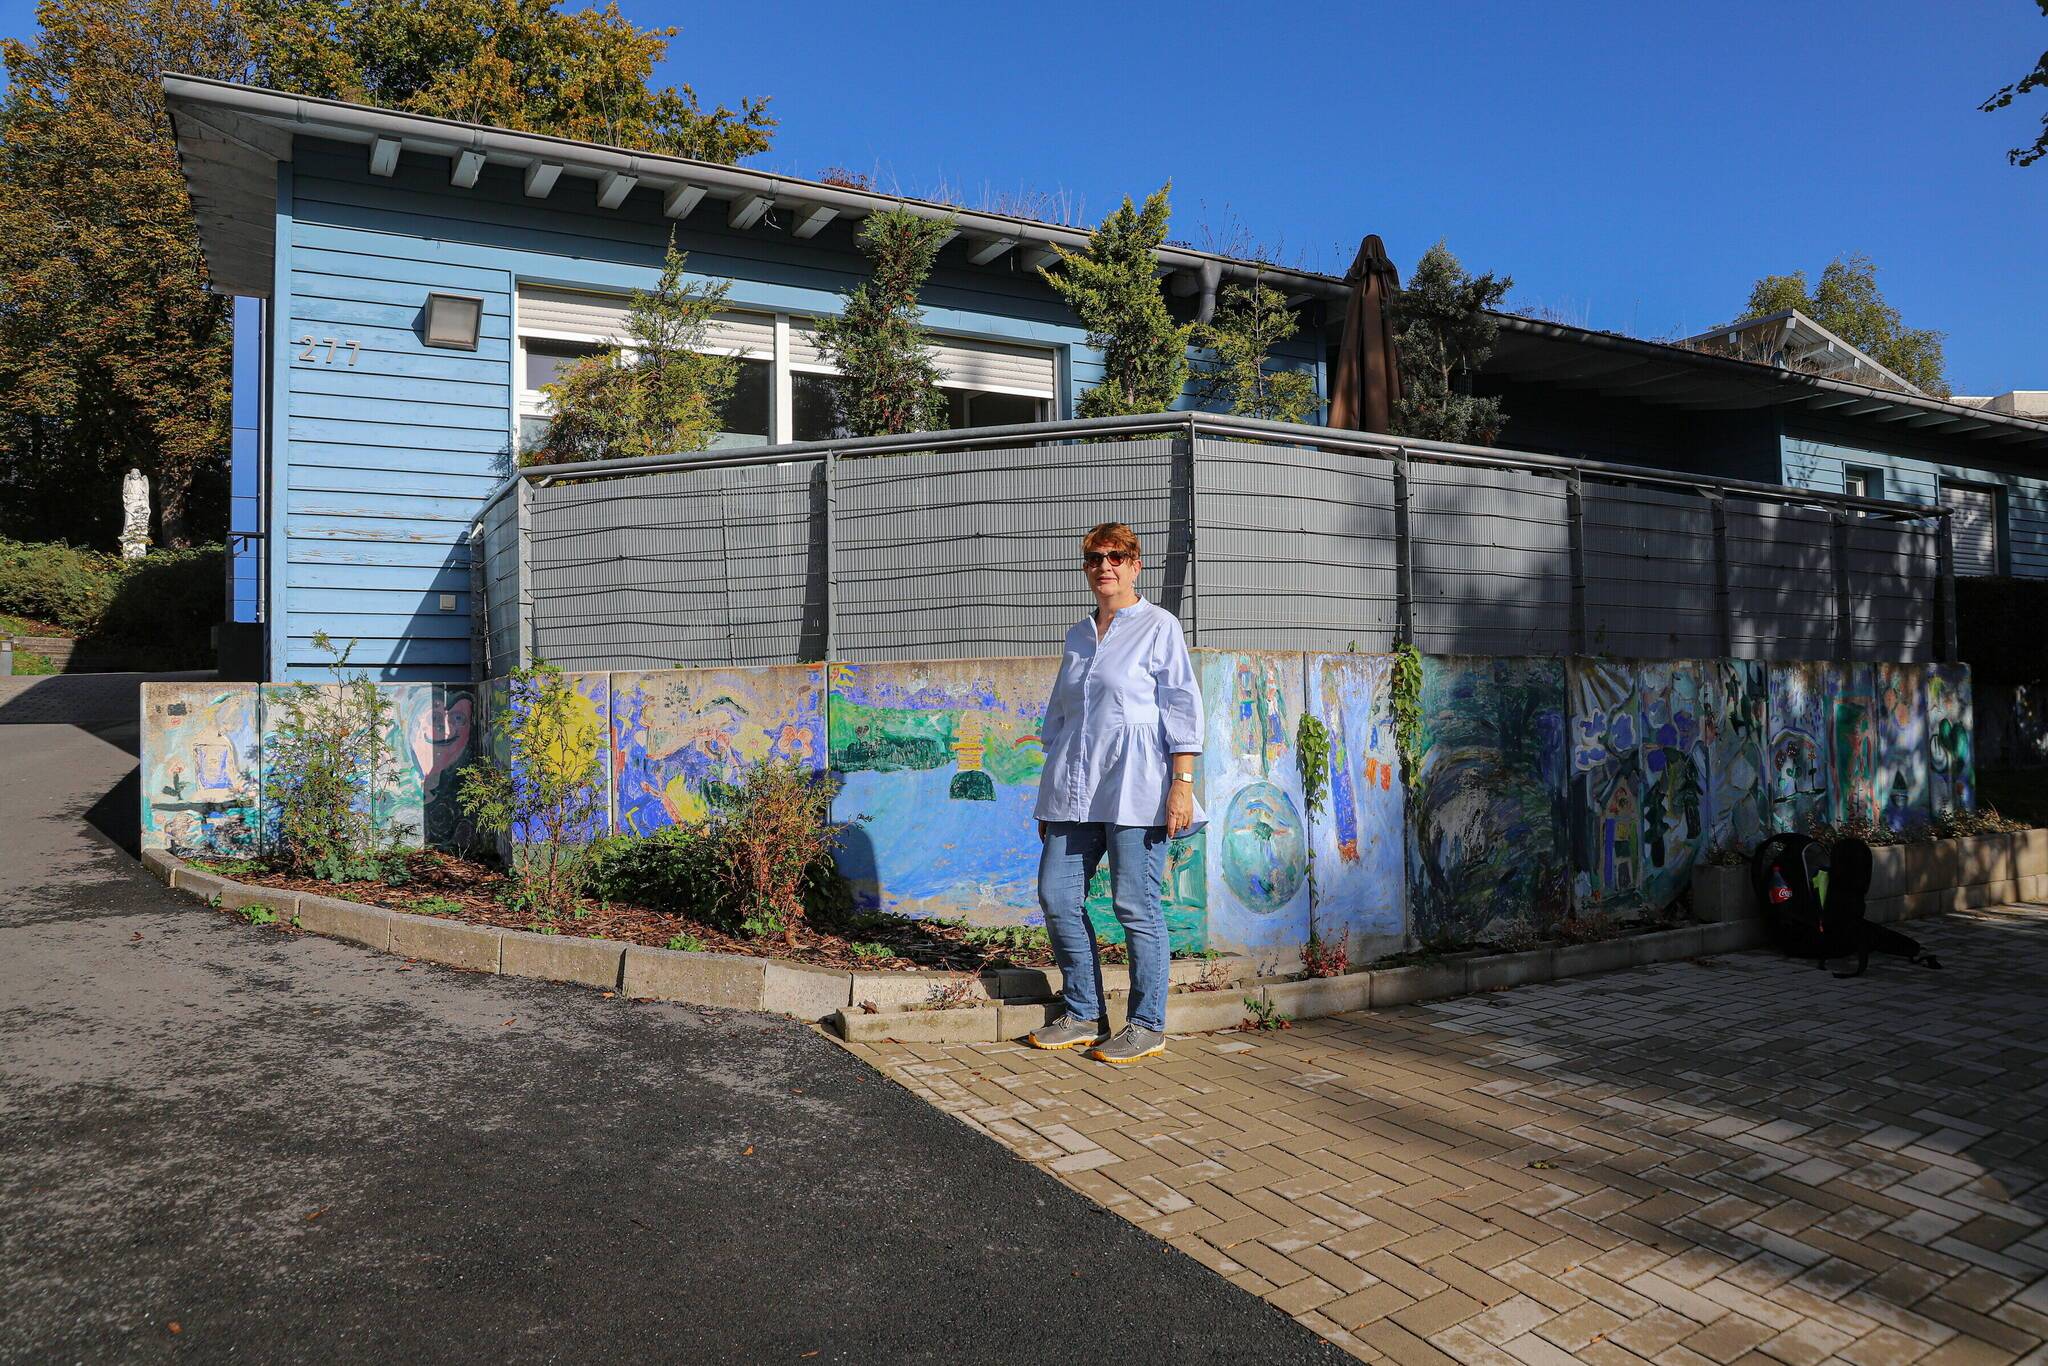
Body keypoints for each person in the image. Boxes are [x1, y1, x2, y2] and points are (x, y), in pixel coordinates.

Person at [1026, 522, 1204, 1065]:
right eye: (1094, 558)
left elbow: (1181, 706)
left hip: (1137, 788)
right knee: (1057, 895)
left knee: (1135, 905)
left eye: (1116, 557)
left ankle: (1147, 1023)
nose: (1105, 566)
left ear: (1135, 565)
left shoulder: (1159, 626)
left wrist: (1182, 783)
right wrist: (1050, 794)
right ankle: (1082, 1012)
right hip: (1074, 792)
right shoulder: (1078, 635)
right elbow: (1061, 717)